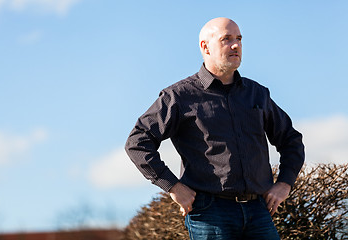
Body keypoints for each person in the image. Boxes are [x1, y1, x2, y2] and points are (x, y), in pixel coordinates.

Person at [125, 17, 304, 240]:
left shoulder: (257, 94)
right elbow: (137, 142)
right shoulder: (179, 96)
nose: (236, 45)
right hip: (209, 214)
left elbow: (291, 140)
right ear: (205, 47)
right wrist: (173, 186)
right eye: (226, 39)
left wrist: (285, 183)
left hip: (259, 211)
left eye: (239, 39)